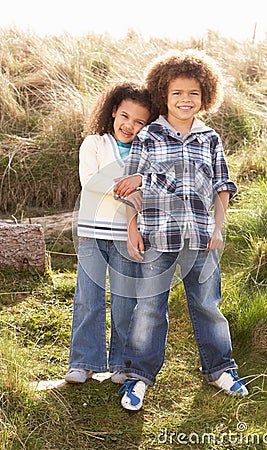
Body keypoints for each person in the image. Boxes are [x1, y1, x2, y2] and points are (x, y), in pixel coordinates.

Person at [113, 49, 249, 410]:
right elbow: (132, 186)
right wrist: (132, 227)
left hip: (203, 237)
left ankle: (220, 369)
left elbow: (223, 186)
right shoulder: (149, 136)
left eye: (193, 93)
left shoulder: (211, 139)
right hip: (158, 234)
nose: (185, 100)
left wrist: (218, 228)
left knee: (207, 304)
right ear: (163, 95)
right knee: (150, 307)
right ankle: (138, 378)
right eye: (177, 93)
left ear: (206, 95)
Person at [65, 82, 155, 384]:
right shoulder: (94, 143)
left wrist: (135, 186)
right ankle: (83, 361)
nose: (130, 125)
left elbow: (149, 189)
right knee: (88, 298)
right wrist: (129, 190)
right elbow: (90, 182)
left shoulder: (145, 154)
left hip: (127, 235)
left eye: (140, 121)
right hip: (92, 232)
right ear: (114, 110)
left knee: (124, 300)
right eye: (125, 116)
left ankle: (121, 363)